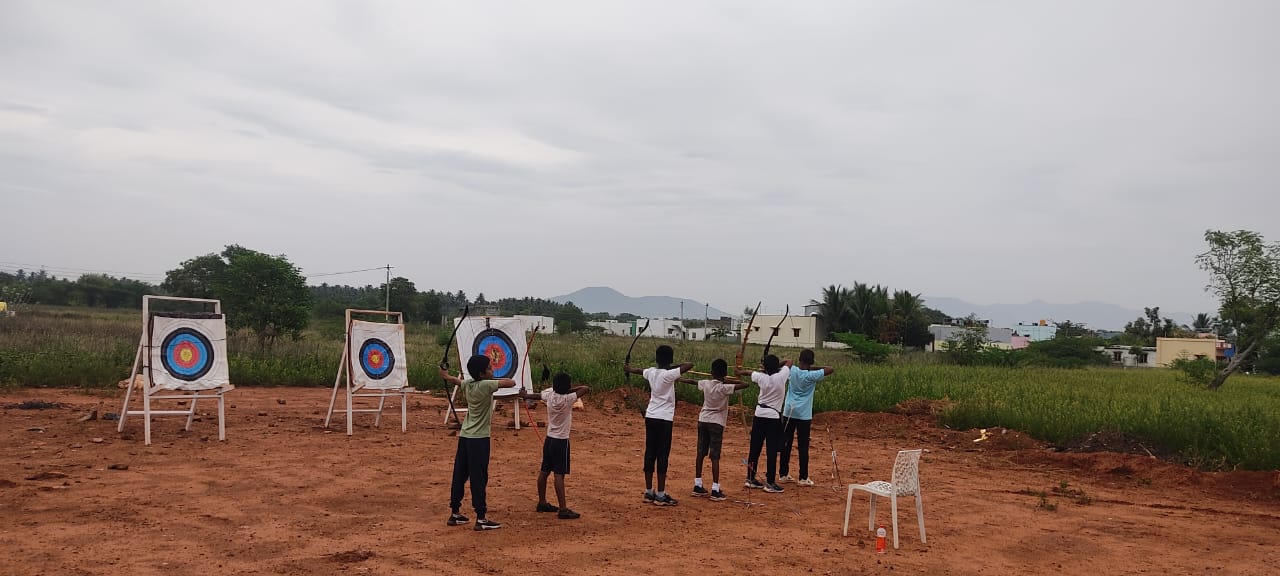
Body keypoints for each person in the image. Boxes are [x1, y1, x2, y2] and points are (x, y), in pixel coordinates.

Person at [441, 355, 518, 531]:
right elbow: (511, 383)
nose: (493, 370)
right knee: (479, 477)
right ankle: (481, 518)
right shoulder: (486, 385)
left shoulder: (468, 384)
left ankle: (455, 513)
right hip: (479, 440)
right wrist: (492, 378)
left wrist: (445, 374)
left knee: (460, 474)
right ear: (482, 374)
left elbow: (454, 380)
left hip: (465, 437)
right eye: (490, 368)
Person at [624, 344, 693, 506]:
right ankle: (661, 495)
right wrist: (672, 367)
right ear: (670, 360)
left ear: (656, 359)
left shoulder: (651, 372)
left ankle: (649, 492)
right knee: (662, 454)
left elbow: (640, 371)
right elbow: (689, 365)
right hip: (664, 419)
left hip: (651, 416)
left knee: (650, 452)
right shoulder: (668, 375)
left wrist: (629, 369)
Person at [518, 372, 589, 519]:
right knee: (559, 474)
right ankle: (563, 509)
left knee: (544, 471)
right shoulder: (568, 398)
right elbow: (585, 388)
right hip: (561, 441)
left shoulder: (550, 395)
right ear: (568, 386)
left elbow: (537, 396)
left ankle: (542, 502)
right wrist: (569, 390)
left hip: (549, 440)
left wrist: (525, 395)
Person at [691, 359, 749, 501]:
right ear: (724, 374)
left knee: (700, 453)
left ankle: (697, 484)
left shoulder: (706, 383)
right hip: (716, 423)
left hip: (703, 420)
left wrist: (679, 378)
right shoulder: (724, 387)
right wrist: (728, 380)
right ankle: (715, 489)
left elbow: (692, 382)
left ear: (711, 372)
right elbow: (746, 384)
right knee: (715, 456)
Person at [778, 348, 835, 486]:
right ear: (811, 362)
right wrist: (813, 368)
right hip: (803, 414)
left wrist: (800, 366)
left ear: (799, 359)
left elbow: (783, 363)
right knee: (803, 446)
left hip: (789, 412)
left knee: (786, 443)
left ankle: (783, 474)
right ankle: (803, 477)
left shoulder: (792, 370)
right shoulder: (812, 375)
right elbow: (830, 369)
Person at [737, 354, 791, 494]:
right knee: (771, 450)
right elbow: (789, 361)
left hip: (759, 414)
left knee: (755, 448)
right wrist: (776, 366)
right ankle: (770, 482)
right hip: (772, 417)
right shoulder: (781, 376)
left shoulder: (761, 377)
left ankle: (750, 478)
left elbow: (749, 372)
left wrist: (740, 372)